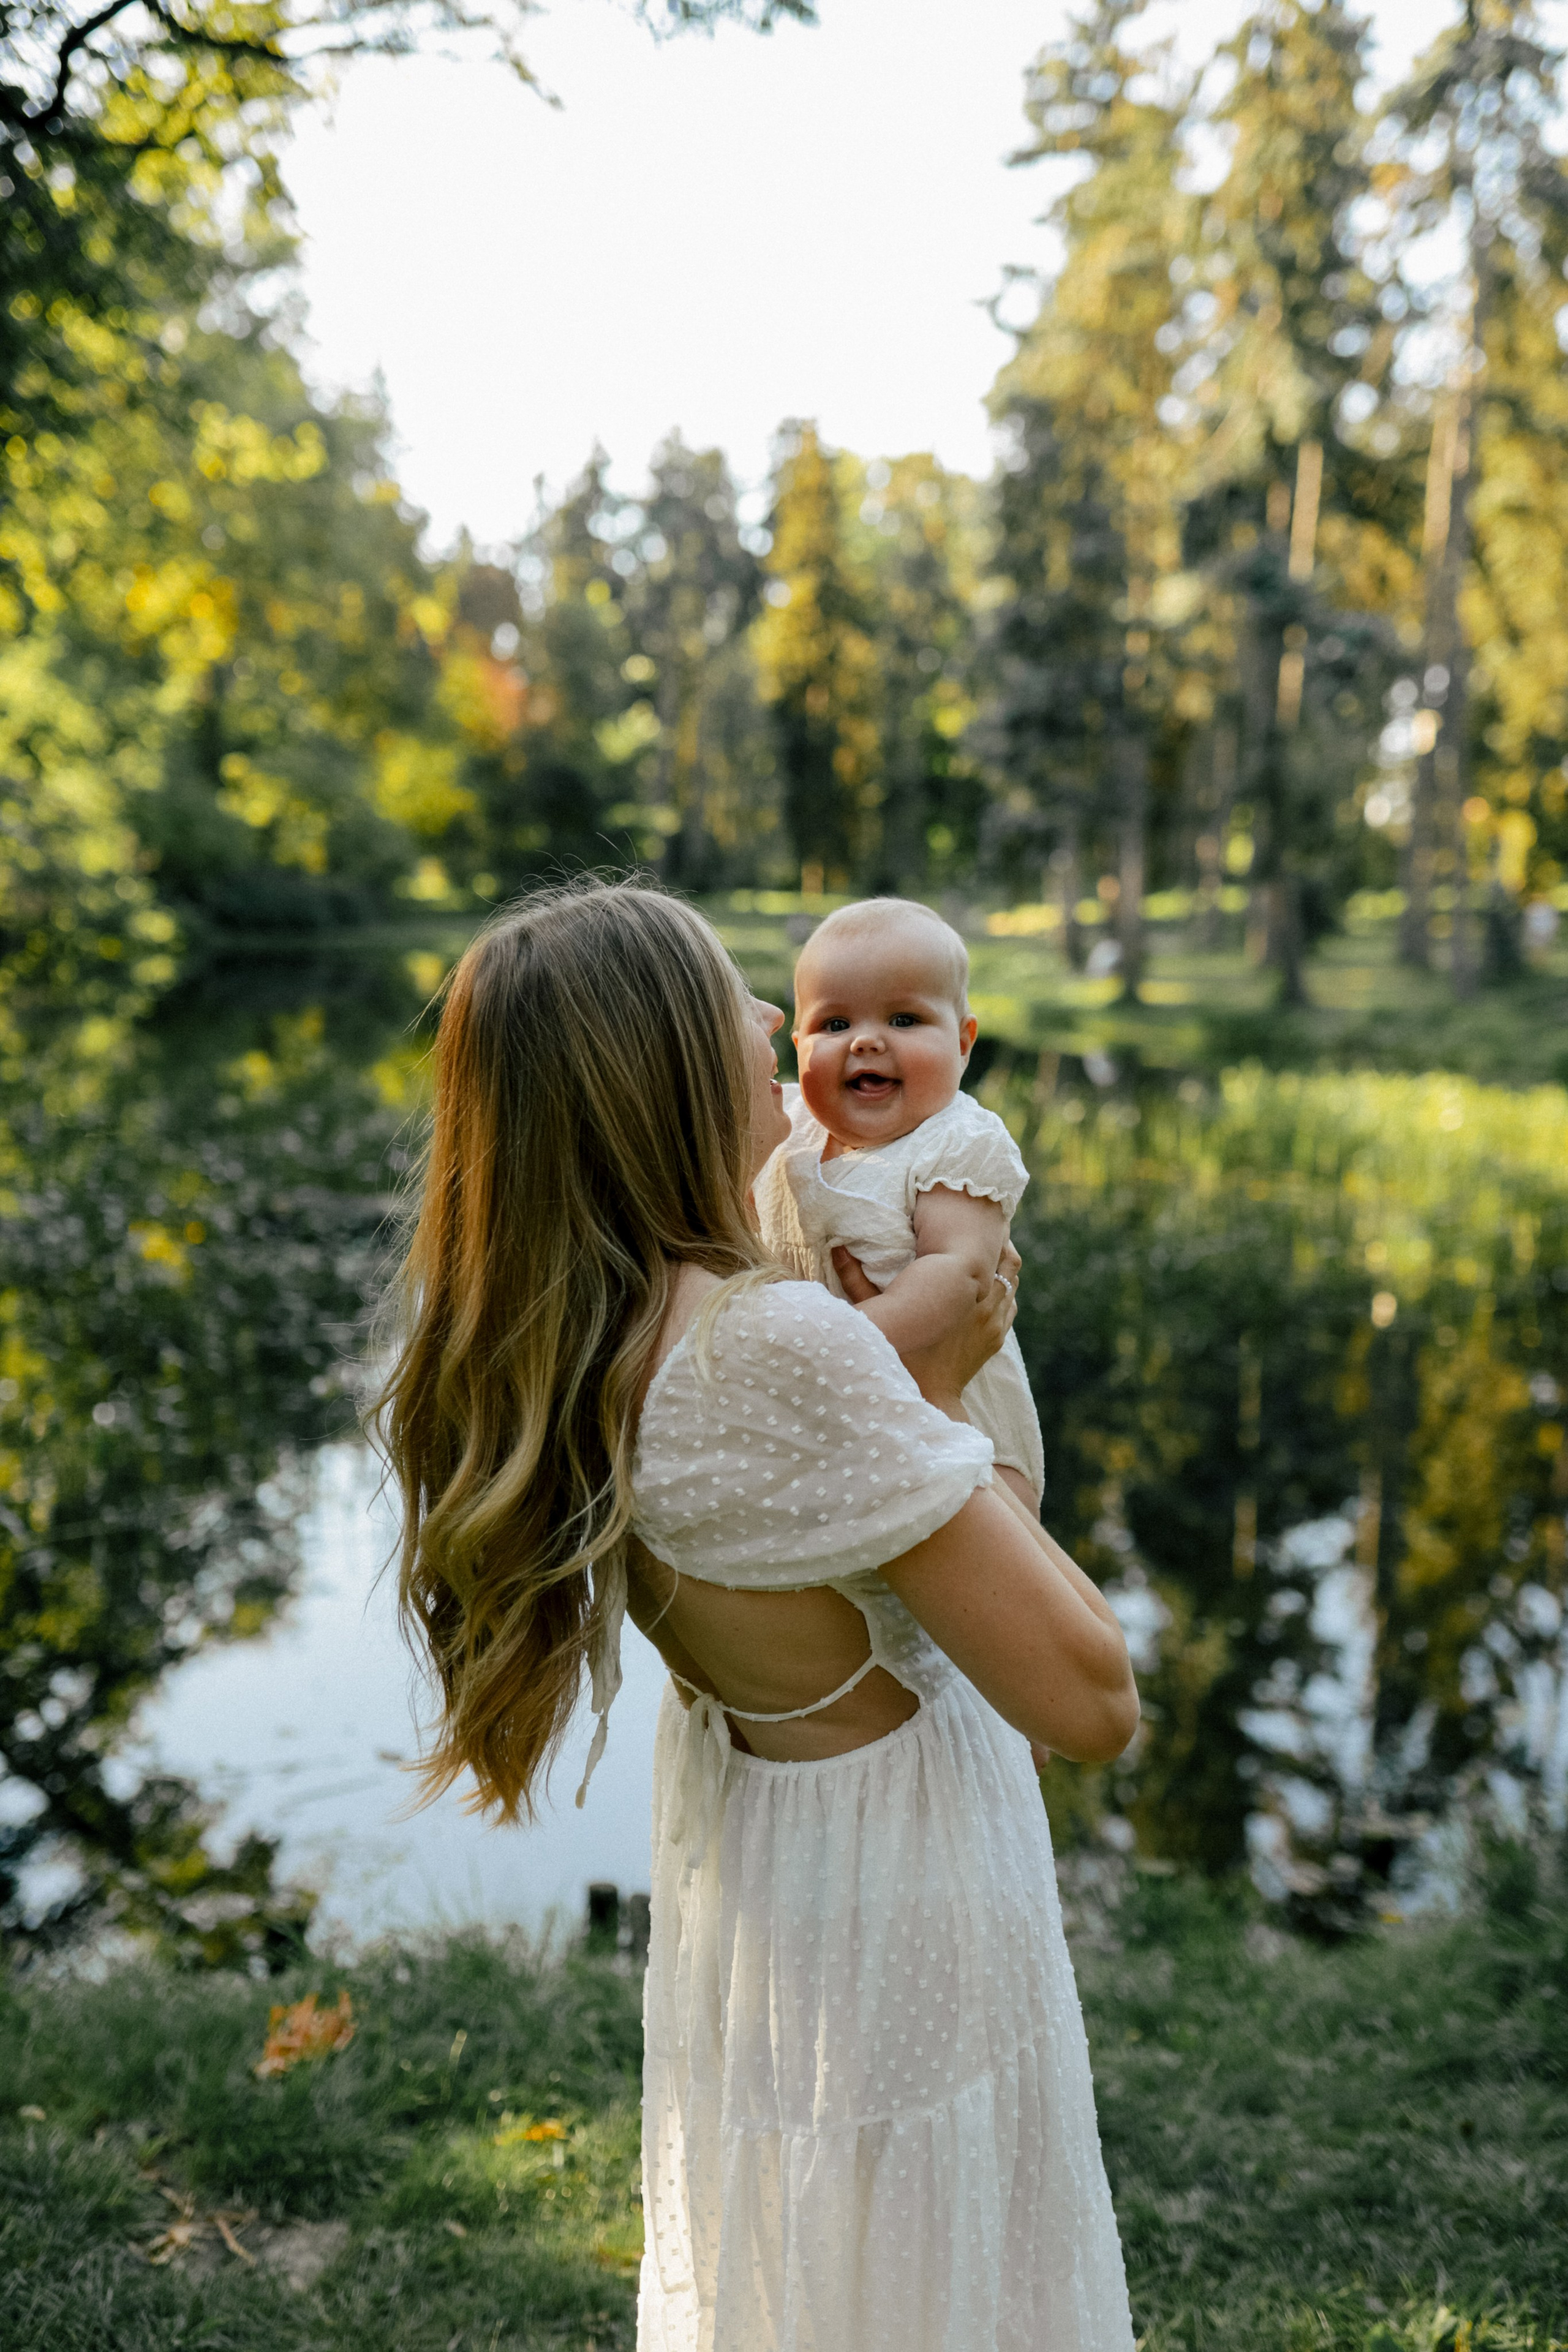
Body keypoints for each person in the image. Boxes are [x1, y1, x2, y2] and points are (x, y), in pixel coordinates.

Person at [377, 880, 1140, 2352]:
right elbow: (1089, 1697)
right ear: (665, 1063)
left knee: (818, 2249)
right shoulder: (775, 1341)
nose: (775, 1023)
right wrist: (947, 1384)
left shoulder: (582, 1319)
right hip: (894, 1872)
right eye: (738, 996)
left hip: (769, 1850)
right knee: (929, 2268)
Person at [756, 894, 1044, 1511]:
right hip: (845, 1413)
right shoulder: (791, 1123)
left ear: (964, 1043)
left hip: (960, 1414)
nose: (865, 1042)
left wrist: (837, 1347)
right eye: (835, 1026)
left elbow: (956, 1272)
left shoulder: (956, 1142)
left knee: (979, 1536)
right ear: (799, 1041)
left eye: (904, 1021)